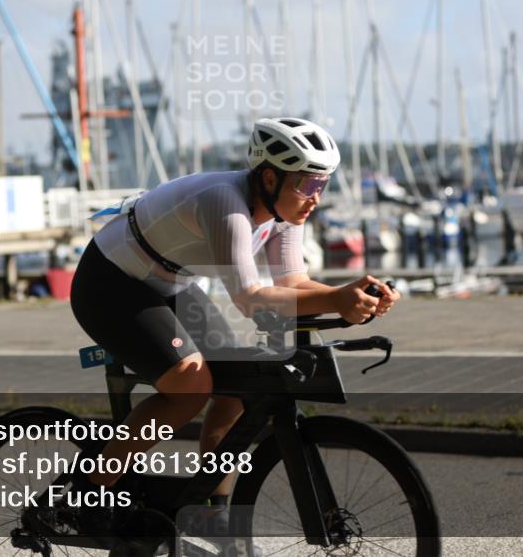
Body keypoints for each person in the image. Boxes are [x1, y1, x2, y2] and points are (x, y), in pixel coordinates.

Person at [60, 117, 400, 544]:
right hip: (111, 282)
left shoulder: (285, 213)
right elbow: (250, 298)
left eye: (322, 186)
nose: (315, 198)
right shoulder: (225, 202)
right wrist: (335, 299)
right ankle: (88, 492)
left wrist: (351, 295)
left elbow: (292, 284)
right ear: (270, 177)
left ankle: (209, 512)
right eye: (308, 185)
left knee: (235, 389)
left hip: (170, 282)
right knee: (191, 383)